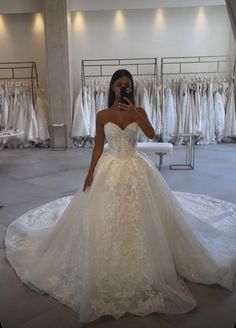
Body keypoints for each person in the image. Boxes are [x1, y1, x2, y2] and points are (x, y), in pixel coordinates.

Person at [5, 70, 236, 323]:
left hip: (138, 169)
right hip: (110, 167)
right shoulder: (102, 114)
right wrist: (90, 172)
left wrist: (137, 114)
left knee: (146, 216)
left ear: (131, 88)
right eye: (119, 85)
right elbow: (97, 145)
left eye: (127, 85)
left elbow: (151, 134)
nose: (123, 88)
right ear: (112, 88)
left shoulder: (141, 111)